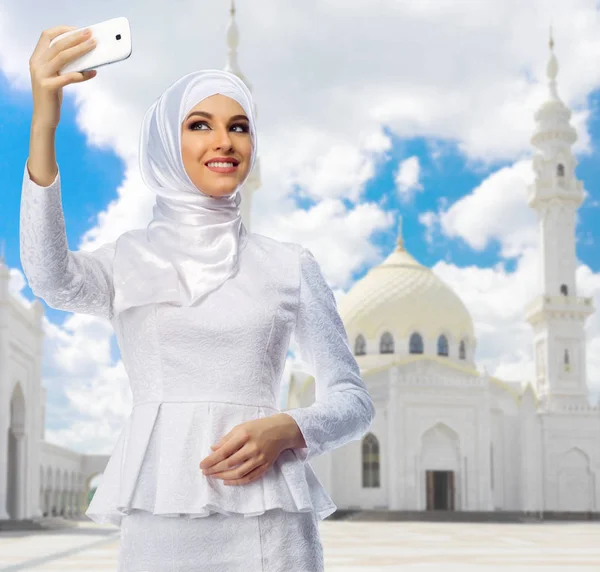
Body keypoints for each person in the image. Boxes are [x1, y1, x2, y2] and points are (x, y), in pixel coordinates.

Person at [21, 25, 376, 571]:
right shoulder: (128, 259)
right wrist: (44, 123)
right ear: (167, 142)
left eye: (239, 127)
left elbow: (353, 399)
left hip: (271, 524)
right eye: (199, 125)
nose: (224, 141)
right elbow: (50, 277)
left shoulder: (290, 264)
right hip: (161, 519)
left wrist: (289, 427)